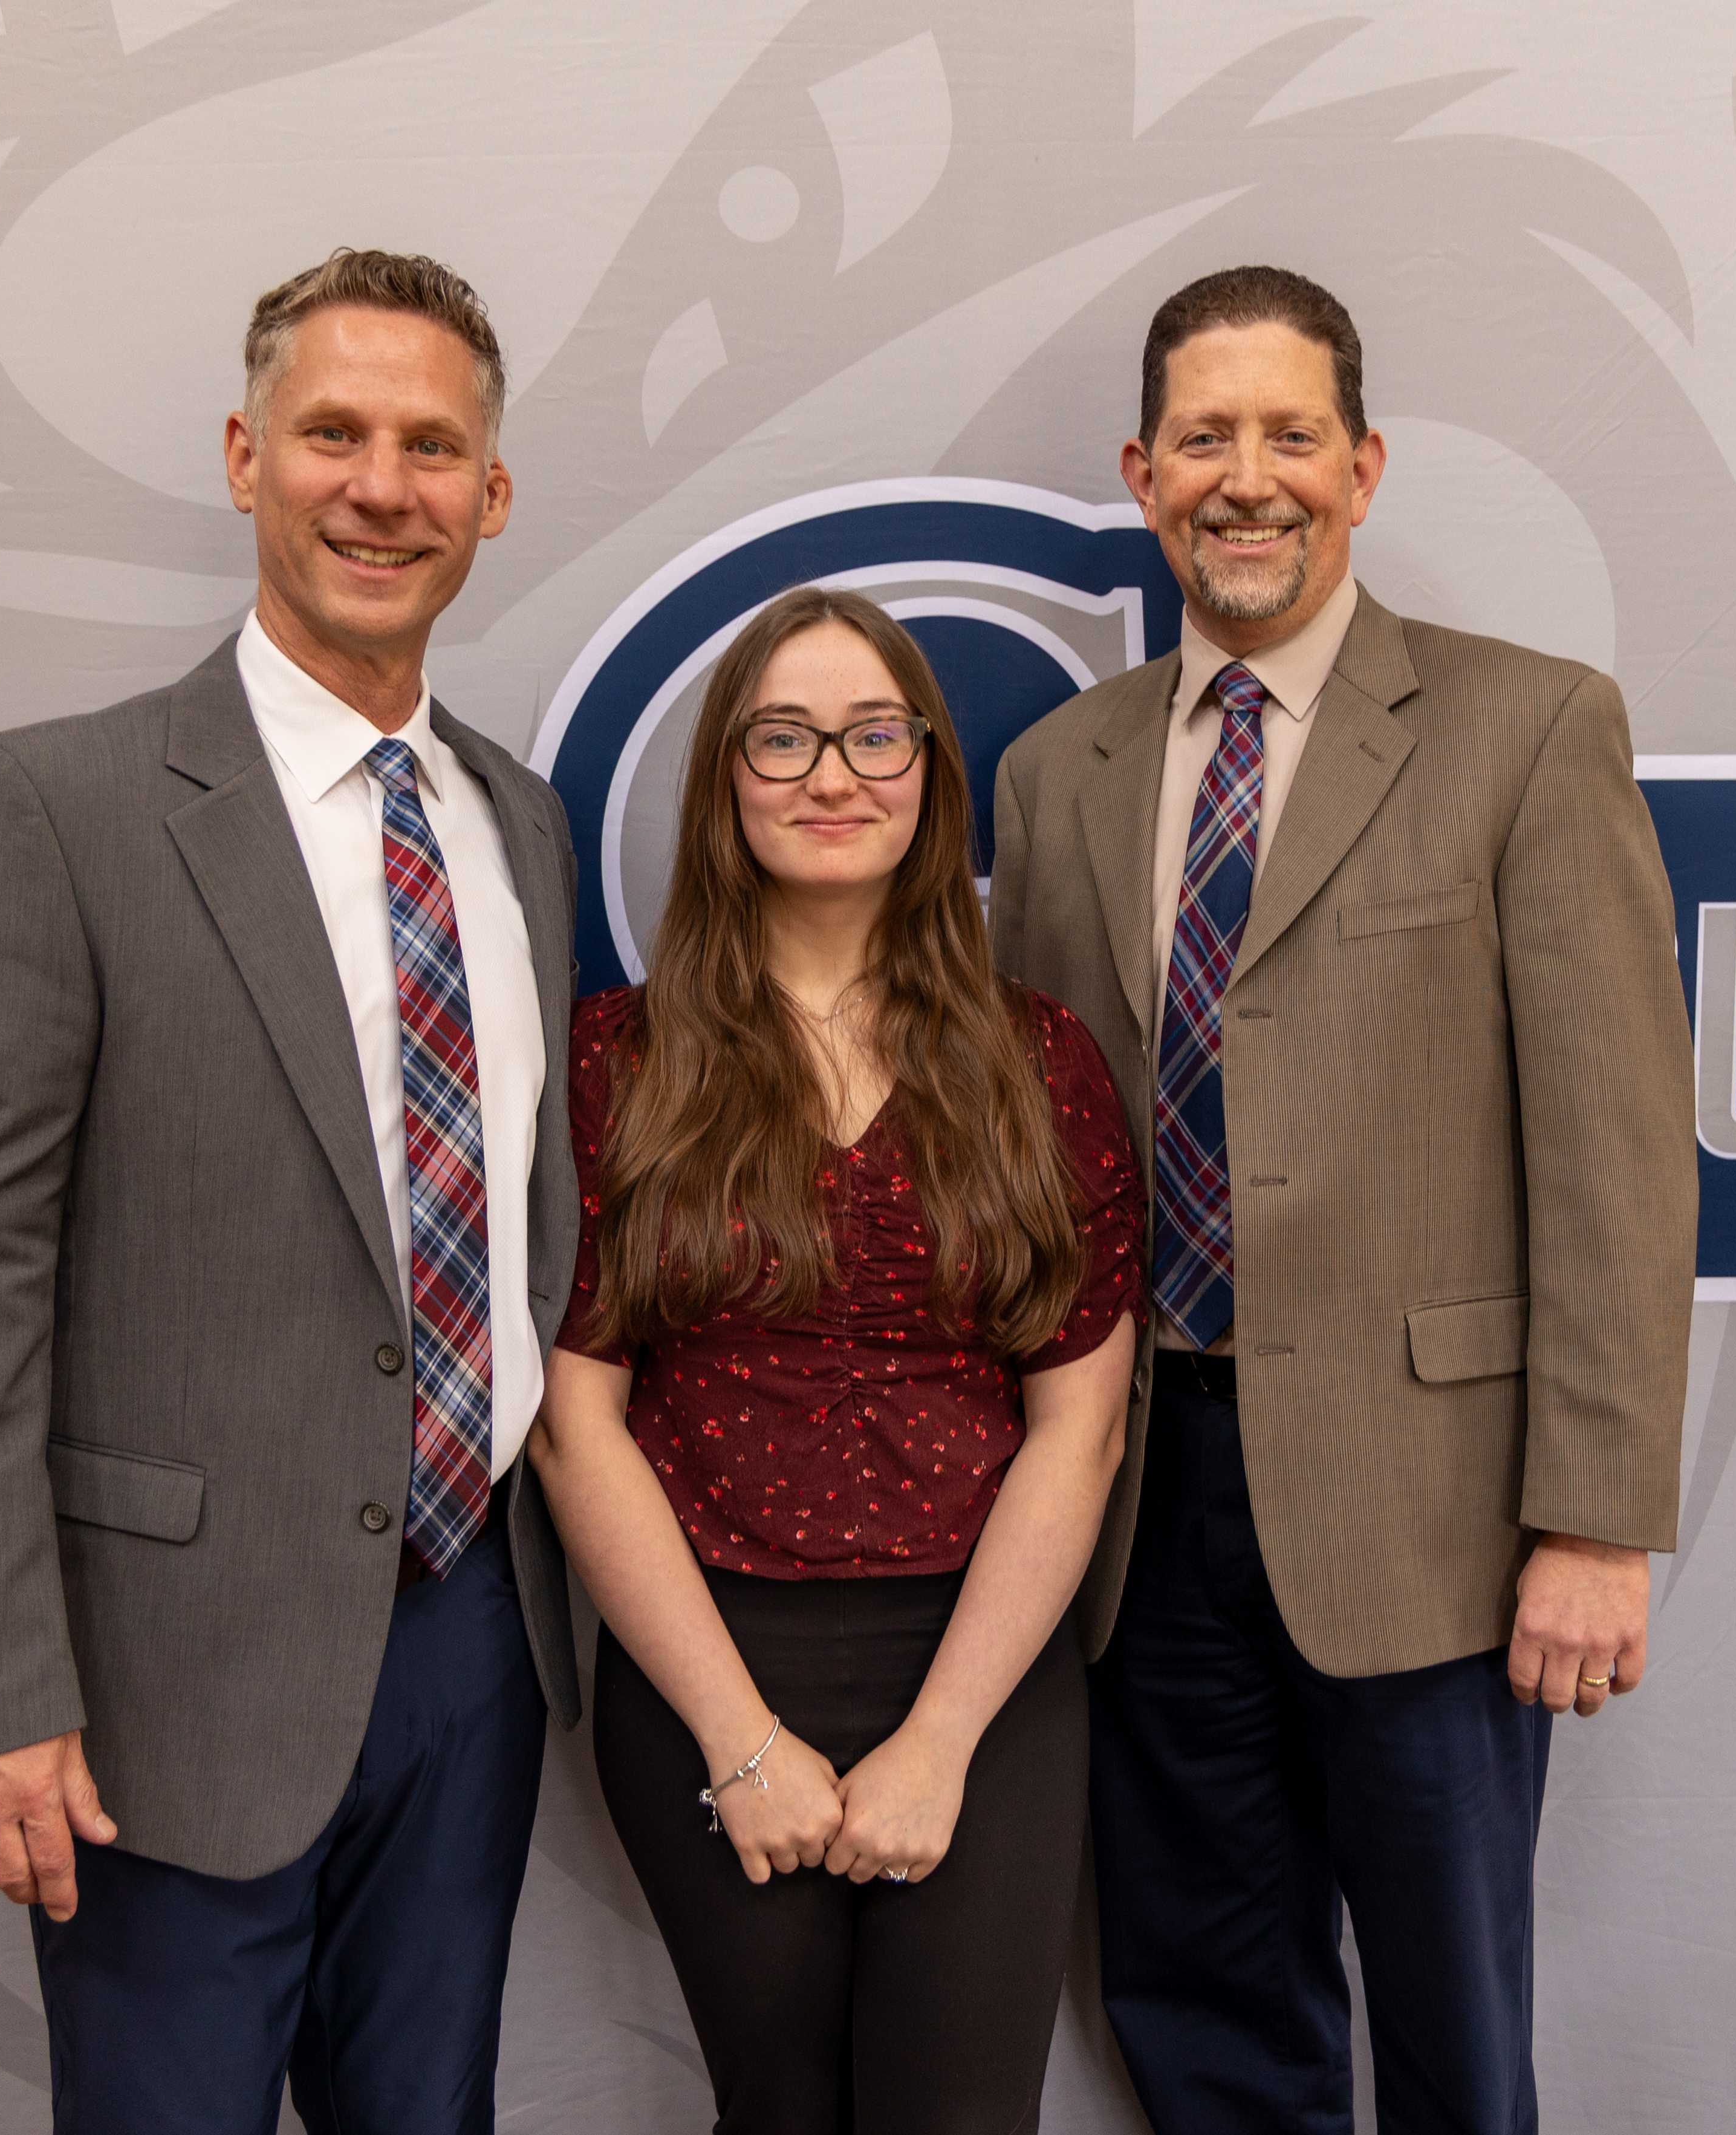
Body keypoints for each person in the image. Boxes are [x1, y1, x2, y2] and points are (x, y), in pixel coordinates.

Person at [0, 249, 580, 2133]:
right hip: (161, 1686)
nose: (381, 485)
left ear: (491, 498)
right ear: (247, 456)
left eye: (433, 447)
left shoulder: (520, 820)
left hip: (468, 1640)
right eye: (334, 433)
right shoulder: (51, 809)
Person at [988, 266, 1699, 2133]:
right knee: (1202, 2001)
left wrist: (1596, 1518)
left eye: (1289, 435)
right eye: (1205, 439)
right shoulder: (1057, 779)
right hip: (1144, 1509)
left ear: (1363, 466)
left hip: (1438, 1518)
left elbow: (1617, 1150)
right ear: (1143, 474)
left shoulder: (1526, 730)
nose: (1248, 478)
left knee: (1456, 2028)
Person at [527, 584, 1143, 2135]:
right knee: (778, 2113)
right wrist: (742, 1746)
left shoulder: (1040, 1059)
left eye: (875, 734)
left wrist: (941, 1743)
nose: (830, 773)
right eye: (783, 736)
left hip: (983, 1672)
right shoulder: (619, 1059)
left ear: (928, 770)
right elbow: (573, 1427)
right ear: (727, 780)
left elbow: (1079, 1430)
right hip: (708, 1661)